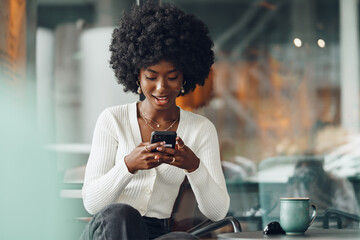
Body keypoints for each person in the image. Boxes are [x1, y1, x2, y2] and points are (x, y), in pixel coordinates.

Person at [81, 2, 230, 240]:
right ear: (136, 76)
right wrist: (128, 165)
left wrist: (194, 166)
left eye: (172, 77)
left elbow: (218, 211)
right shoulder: (113, 120)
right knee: (122, 215)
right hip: (111, 228)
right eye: (151, 77)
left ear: (184, 78)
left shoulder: (201, 129)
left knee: (184, 239)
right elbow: (91, 203)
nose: (161, 88)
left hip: (156, 232)